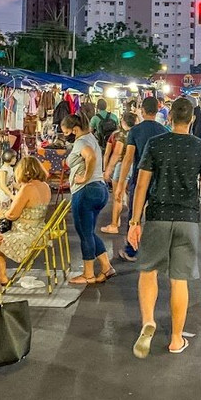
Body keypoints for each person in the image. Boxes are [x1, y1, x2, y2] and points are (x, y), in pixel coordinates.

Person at [129, 97, 201, 357]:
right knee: (179, 280)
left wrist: (135, 221)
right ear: (192, 119)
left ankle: (148, 321)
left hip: (157, 216)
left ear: (169, 118)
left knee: (148, 272)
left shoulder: (156, 144)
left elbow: (142, 184)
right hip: (187, 220)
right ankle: (176, 339)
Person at [62, 111, 115, 284]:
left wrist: (84, 178)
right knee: (89, 232)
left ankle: (88, 274)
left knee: (84, 233)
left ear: (75, 129)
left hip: (85, 190)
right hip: (100, 189)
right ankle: (106, 267)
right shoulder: (92, 138)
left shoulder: (81, 142)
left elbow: (90, 157)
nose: (65, 136)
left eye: (66, 132)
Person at [115, 96, 169, 262]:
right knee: (156, 215)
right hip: (158, 179)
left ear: (142, 111)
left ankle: (132, 249)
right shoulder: (164, 131)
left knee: (134, 213)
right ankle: (156, 249)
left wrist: (120, 183)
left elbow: (128, 158)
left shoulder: (135, 131)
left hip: (139, 178)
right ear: (157, 110)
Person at [0, 156, 53, 290]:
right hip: (40, 232)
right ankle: (0, 278)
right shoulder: (45, 186)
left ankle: (2, 279)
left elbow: (12, 215)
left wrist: (2, 213)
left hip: (26, 234)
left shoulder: (27, 188)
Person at [101, 111, 137, 235]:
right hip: (136, 166)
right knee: (129, 193)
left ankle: (114, 224)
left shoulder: (119, 135)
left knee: (117, 196)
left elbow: (115, 154)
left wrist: (107, 170)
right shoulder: (137, 133)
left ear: (122, 122)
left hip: (122, 166)